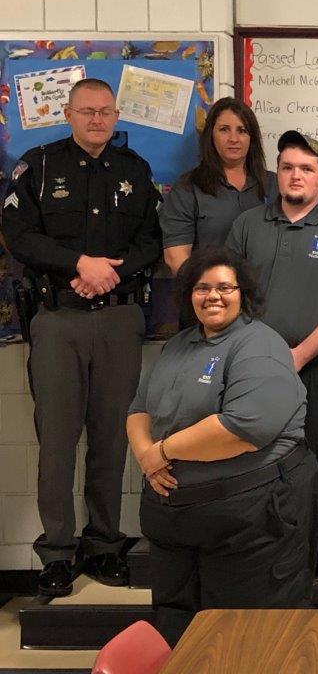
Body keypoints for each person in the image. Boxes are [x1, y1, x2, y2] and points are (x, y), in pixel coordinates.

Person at [1, 78, 161, 596]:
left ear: (117, 117)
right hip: (58, 318)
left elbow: (151, 241)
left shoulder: (136, 173)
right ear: (67, 113)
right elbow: (19, 236)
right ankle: (56, 553)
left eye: (106, 112)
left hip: (118, 318)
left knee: (112, 435)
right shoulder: (38, 166)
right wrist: (78, 264)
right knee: (58, 438)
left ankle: (104, 544)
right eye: (87, 111)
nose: (97, 120)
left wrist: (108, 273)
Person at [127, 246, 318, 645]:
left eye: (224, 288)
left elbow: (242, 428)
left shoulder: (259, 344)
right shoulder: (177, 345)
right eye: (202, 288)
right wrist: (147, 458)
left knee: (246, 638)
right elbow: (139, 409)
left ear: (243, 294)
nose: (213, 296)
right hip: (176, 521)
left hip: (250, 520)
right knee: (177, 634)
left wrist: (160, 453)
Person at [226, 130, 318, 578]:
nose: (296, 176)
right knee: (255, 462)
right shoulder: (248, 224)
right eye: (288, 167)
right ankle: (263, 560)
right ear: (278, 173)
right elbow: (226, 294)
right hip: (254, 372)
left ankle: (315, 564)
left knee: (316, 467)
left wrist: (299, 355)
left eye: (307, 169)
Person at [160, 97, 274, 275]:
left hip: (265, 295)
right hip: (212, 295)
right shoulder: (188, 188)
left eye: (242, 130)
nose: (233, 138)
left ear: (252, 138)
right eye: (224, 130)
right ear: (210, 135)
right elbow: (176, 256)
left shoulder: (273, 184)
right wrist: (205, 291)